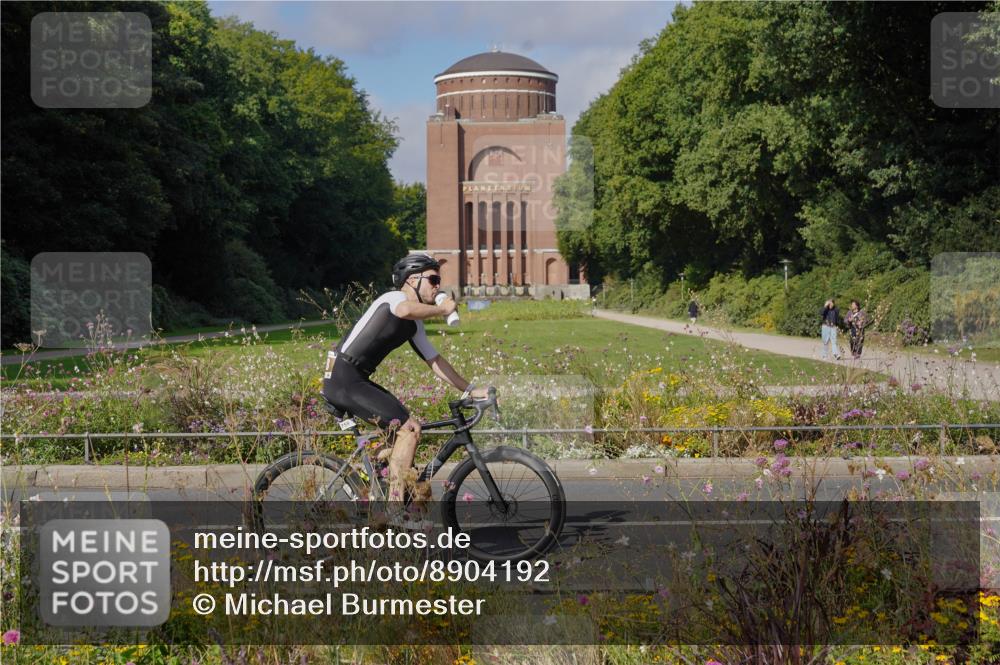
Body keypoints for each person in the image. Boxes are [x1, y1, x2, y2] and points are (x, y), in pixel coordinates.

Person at [321, 253, 488, 502]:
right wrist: (442, 308)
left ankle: (372, 480)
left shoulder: (414, 324)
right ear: (412, 280)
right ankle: (395, 509)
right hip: (344, 378)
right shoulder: (394, 299)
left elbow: (435, 361)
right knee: (409, 429)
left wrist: (471, 390)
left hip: (355, 379)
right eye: (432, 279)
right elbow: (404, 309)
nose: (437, 286)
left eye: (438, 280)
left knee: (399, 437)